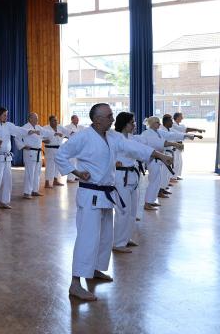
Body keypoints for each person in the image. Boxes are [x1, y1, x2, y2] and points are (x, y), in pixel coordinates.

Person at [55, 104, 173, 301]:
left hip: (105, 194)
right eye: (109, 116)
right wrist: (75, 172)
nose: (112, 119)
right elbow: (61, 155)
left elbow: (134, 147)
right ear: (97, 119)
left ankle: (94, 270)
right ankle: (75, 284)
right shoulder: (83, 136)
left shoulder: (112, 136)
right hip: (90, 194)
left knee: (105, 236)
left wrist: (159, 155)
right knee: (87, 238)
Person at [111, 113, 164, 252]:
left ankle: (125, 238)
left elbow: (140, 151)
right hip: (121, 176)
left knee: (132, 210)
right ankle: (118, 243)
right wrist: (112, 162)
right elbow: (107, 154)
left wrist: (158, 153)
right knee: (123, 210)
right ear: (124, 124)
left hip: (132, 176)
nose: (134, 125)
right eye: (132, 123)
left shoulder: (131, 138)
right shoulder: (115, 137)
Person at [140, 116, 199, 210]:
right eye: (157, 123)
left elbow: (171, 135)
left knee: (157, 181)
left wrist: (186, 135)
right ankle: (147, 203)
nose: (159, 124)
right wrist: (174, 144)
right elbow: (158, 143)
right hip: (153, 160)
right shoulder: (147, 133)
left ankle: (151, 201)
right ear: (152, 124)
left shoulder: (158, 132)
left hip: (159, 159)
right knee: (153, 181)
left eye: (159, 122)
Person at [0, 107, 31, 214]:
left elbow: (18, 130)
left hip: (7, 158)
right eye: (4, 115)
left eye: (6, 115)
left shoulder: (8, 125)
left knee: (8, 180)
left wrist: (29, 131)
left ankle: (4, 201)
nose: (6, 117)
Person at [171, 112, 205, 180]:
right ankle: (172, 177)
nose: (182, 118)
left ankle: (175, 176)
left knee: (179, 162)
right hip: (174, 146)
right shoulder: (173, 125)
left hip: (179, 145)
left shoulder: (181, 125)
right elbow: (185, 130)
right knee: (175, 161)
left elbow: (184, 131)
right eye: (181, 116)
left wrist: (196, 133)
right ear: (177, 117)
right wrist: (197, 130)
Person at [20, 113, 44, 199]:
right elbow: (17, 137)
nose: (37, 119)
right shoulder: (25, 127)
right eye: (35, 118)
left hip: (38, 152)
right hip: (29, 152)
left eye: (37, 118)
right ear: (30, 119)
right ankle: (27, 192)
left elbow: (45, 133)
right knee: (30, 173)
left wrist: (49, 137)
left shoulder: (38, 127)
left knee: (37, 173)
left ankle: (35, 190)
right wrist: (22, 145)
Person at [41, 115, 69, 188]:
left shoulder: (60, 127)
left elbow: (67, 132)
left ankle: (55, 180)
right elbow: (40, 137)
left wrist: (67, 136)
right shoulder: (45, 128)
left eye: (56, 120)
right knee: (50, 166)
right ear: (50, 121)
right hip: (50, 148)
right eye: (54, 120)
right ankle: (47, 182)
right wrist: (44, 140)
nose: (56, 122)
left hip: (59, 148)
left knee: (57, 165)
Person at [64, 115, 85, 183]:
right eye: (76, 119)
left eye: (78, 119)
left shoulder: (80, 127)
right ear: (72, 119)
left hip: (79, 147)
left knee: (77, 162)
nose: (77, 120)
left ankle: (76, 176)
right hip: (72, 146)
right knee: (71, 162)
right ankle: (70, 178)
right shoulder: (68, 127)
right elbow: (65, 134)